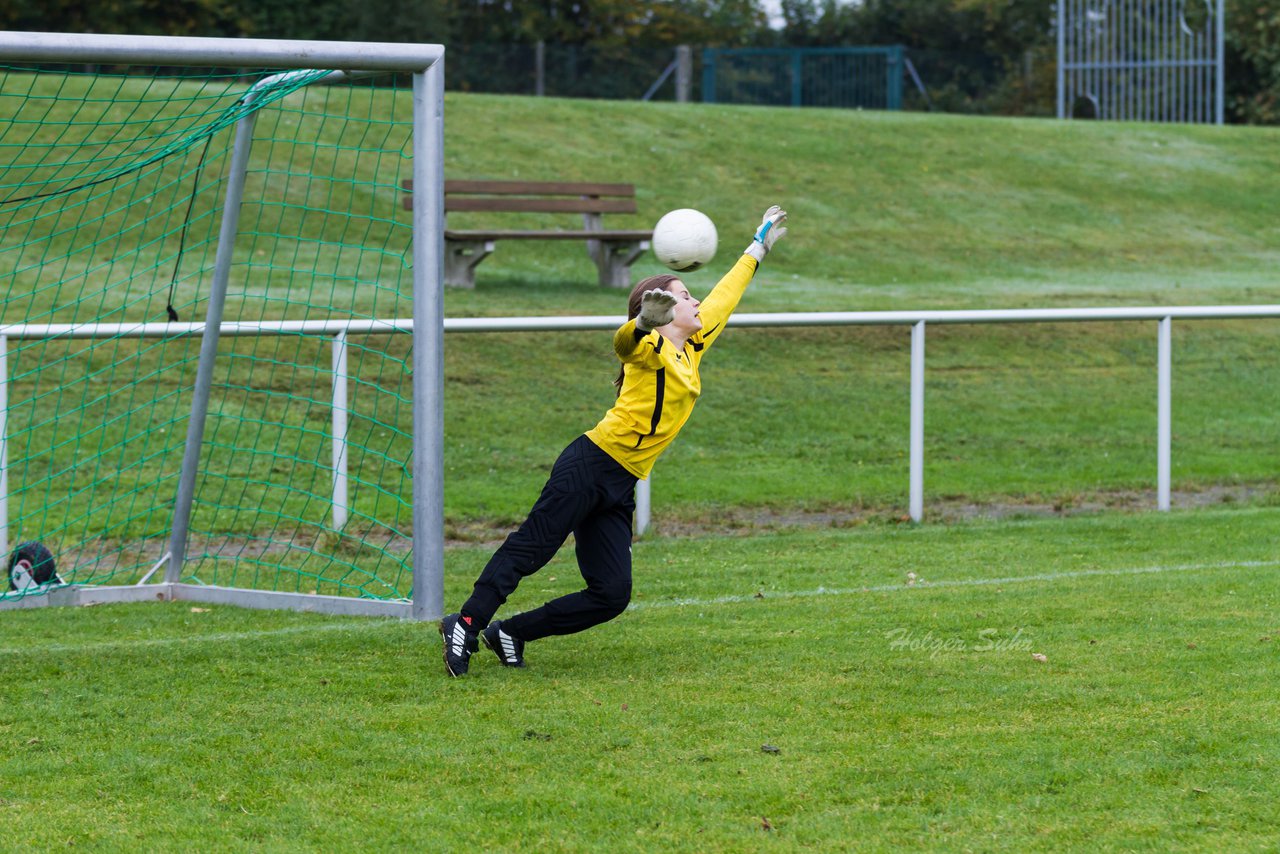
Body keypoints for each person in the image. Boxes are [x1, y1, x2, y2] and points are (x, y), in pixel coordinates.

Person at [440, 204, 789, 676]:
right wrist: (643, 322)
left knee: (610, 594)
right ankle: (464, 621)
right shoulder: (650, 346)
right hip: (590, 464)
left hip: (621, 482)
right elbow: (623, 344)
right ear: (661, 310)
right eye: (685, 296)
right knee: (535, 547)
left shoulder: (694, 345)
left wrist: (757, 247)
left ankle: (511, 632)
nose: (696, 303)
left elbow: (726, 294)